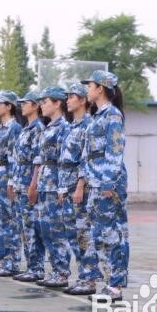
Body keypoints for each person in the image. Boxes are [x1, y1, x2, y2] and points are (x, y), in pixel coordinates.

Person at [81, 70, 130, 303]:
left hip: (107, 182)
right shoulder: (97, 116)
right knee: (99, 233)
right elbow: (89, 153)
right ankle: (110, 283)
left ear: (101, 88)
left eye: (90, 86)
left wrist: (108, 181)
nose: (87, 90)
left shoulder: (112, 115)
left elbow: (115, 149)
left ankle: (115, 286)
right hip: (95, 181)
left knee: (113, 233)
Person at [61, 83, 102, 296]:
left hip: (81, 188)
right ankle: (82, 276)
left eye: (72, 96)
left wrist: (79, 186)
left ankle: (90, 278)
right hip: (67, 186)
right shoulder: (71, 126)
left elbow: (85, 160)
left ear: (82, 101)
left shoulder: (88, 125)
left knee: (85, 233)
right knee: (74, 234)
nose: (67, 100)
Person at [34, 87, 72, 288]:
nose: (42, 105)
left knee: (57, 229)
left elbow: (64, 160)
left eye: (45, 101)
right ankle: (56, 269)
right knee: (44, 228)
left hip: (55, 183)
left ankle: (62, 272)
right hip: (44, 184)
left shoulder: (64, 128)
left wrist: (62, 187)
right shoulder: (47, 127)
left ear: (58, 103)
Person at [12, 91, 47, 282]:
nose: (22, 106)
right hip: (20, 182)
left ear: (35, 106)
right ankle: (31, 266)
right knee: (25, 227)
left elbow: (38, 161)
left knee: (33, 227)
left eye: (26, 103)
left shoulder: (38, 128)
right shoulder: (26, 128)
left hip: (29, 184)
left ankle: (37, 267)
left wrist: (33, 184)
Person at [0, 91, 24, 277]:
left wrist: (12, 181)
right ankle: (3, 259)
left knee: (10, 221)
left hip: (6, 179)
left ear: (9, 106)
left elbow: (14, 158)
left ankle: (13, 261)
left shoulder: (14, 128)